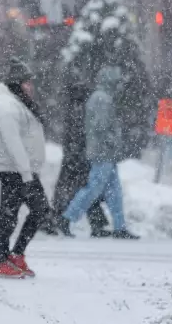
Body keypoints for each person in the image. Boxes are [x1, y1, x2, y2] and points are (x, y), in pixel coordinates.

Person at [0, 57, 51, 279]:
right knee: (13, 214)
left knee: (29, 212)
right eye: (26, 82)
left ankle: (13, 256)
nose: (30, 86)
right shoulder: (6, 107)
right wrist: (26, 174)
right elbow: (12, 142)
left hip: (22, 170)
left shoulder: (17, 103)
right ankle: (0, 261)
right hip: (14, 170)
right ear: (15, 84)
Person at [62, 66, 140, 239]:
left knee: (114, 191)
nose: (120, 85)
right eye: (117, 82)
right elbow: (101, 126)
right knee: (94, 188)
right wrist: (114, 139)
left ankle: (120, 227)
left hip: (106, 152)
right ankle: (67, 217)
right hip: (102, 152)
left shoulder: (102, 97)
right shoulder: (102, 99)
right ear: (110, 81)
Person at [51, 78, 111, 238]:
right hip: (78, 156)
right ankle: (61, 219)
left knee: (79, 189)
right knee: (85, 189)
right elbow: (80, 133)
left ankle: (58, 218)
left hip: (74, 155)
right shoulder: (80, 108)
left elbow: (72, 134)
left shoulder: (73, 107)